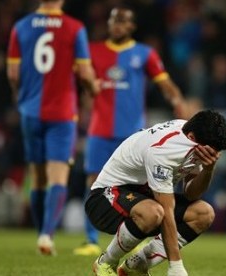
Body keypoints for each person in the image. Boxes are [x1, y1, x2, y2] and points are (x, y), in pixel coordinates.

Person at [74, 5, 188, 256]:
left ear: (131, 27)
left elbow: (165, 84)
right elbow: (83, 84)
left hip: (133, 135)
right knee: (93, 182)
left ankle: (141, 231)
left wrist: (178, 103)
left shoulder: (144, 53)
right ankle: (90, 240)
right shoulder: (93, 51)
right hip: (99, 129)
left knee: (138, 185)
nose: (116, 25)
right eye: (113, 20)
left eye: (122, 21)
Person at [85, 110, 226, 276]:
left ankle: (136, 266)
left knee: (203, 213)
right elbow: (166, 209)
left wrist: (208, 169)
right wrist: (176, 267)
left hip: (145, 196)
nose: (214, 155)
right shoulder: (163, 151)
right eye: (212, 151)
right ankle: (105, 263)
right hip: (104, 199)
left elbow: (191, 194)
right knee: (153, 212)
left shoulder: (191, 136)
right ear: (191, 138)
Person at [6, 0, 99, 255]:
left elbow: (13, 73)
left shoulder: (21, 27)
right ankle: (47, 235)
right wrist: (93, 88)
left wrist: (24, 95)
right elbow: (84, 71)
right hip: (62, 112)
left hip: (30, 112)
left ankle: (41, 234)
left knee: (37, 177)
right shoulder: (74, 27)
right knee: (58, 176)